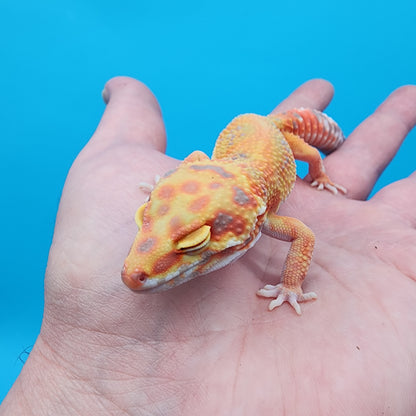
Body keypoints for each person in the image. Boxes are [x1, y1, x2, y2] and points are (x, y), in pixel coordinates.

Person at [1, 77, 415, 415]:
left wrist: (292, 279)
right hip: (241, 146)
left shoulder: (262, 214)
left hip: (273, 134)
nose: (134, 270)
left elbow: (303, 235)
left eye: (193, 243)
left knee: (309, 146)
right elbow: (198, 157)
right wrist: (171, 188)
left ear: (249, 221)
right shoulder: (201, 182)